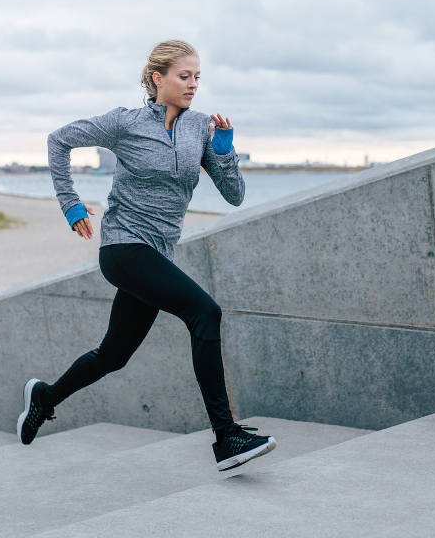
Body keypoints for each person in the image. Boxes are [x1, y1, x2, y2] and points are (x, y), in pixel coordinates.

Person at [17, 39, 276, 471]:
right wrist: (70, 203)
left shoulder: (200, 130)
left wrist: (226, 152)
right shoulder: (125, 122)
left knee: (113, 355)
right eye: (184, 76)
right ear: (158, 78)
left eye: (197, 77)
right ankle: (226, 435)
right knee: (204, 312)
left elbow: (233, 196)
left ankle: (45, 397)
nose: (193, 84)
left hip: (157, 254)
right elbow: (58, 140)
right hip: (122, 246)